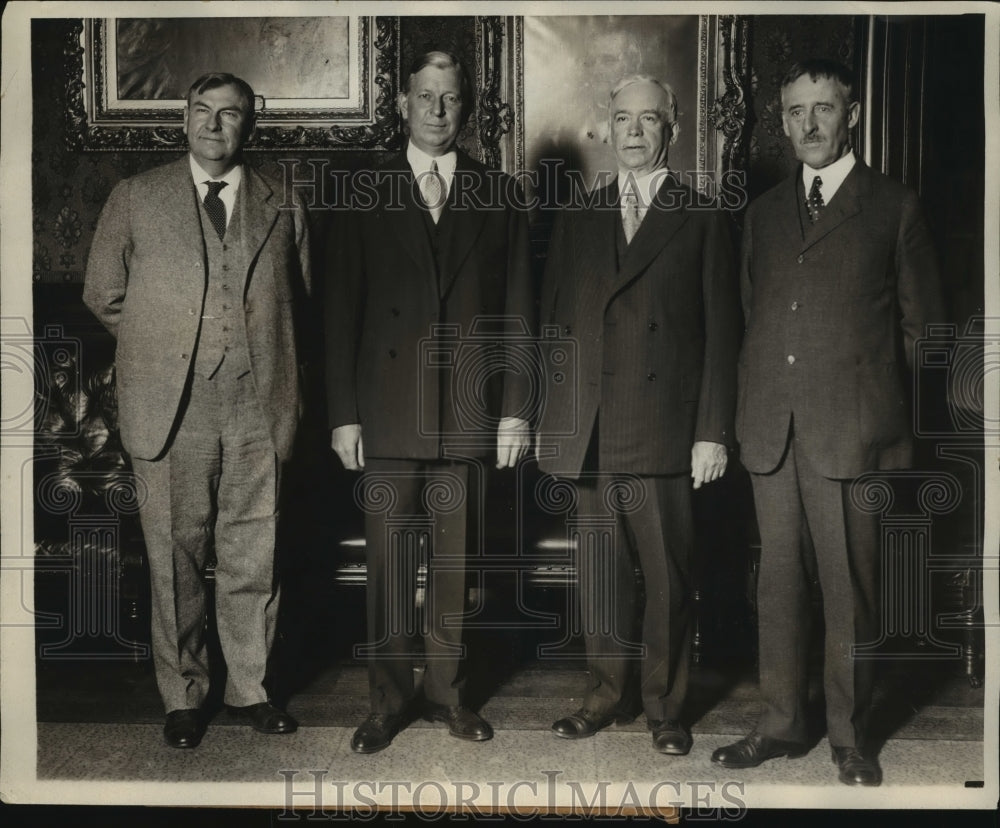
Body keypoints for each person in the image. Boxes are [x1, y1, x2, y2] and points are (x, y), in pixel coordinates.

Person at [711, 59, 943, 786]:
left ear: (852, 115)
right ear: (781, 120)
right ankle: (782, 722)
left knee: (850, 587)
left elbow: (924, 332)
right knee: (776, 583)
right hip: (772, 431)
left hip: (853, 433)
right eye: (795, 111)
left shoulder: (893, 206)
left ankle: (850, 736)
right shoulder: (764, 212)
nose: (808, 124)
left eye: (824, 109)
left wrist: (878, 411)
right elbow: (750, 319)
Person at [84, 72, 311, 749]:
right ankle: (183, 695)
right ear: (184, 120)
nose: (215, 126)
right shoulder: (136, 197)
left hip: (258, 399)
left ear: (250, 126)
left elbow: (302, 298)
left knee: (252, 551)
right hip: (170, 405)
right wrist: (168, 345)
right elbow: (103, 294)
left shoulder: (281, 198)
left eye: (231, 115)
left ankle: (252, 688)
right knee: (174, 556)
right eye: (202, 111)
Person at [325, 50, 535, 754]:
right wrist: (344, 412)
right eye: (425, 97)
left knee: (457, 563)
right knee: (387, 567)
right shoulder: (362, 189)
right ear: (403, 105)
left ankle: (449, 693)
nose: (438, 110)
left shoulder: (498, 194)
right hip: (385, 411)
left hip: (467, 414)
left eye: (450, 99)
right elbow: (338, 310)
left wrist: (514, 408)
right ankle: (387, 700)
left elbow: (519, 313)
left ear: (465, 109)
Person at [537, 75, 741, 755]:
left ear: (671, 130)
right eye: (623, 119)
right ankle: (603, 694)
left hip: (665, 431)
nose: (633, 132)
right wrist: (554, 419)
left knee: (667, 579)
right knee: (599, 580)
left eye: (648, 120)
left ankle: (666, 707)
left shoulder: (704, 215)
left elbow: (723, 332)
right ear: (609, 128)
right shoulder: (582, 214)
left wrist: (712, 431)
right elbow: (558, 326)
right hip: (592, 429)